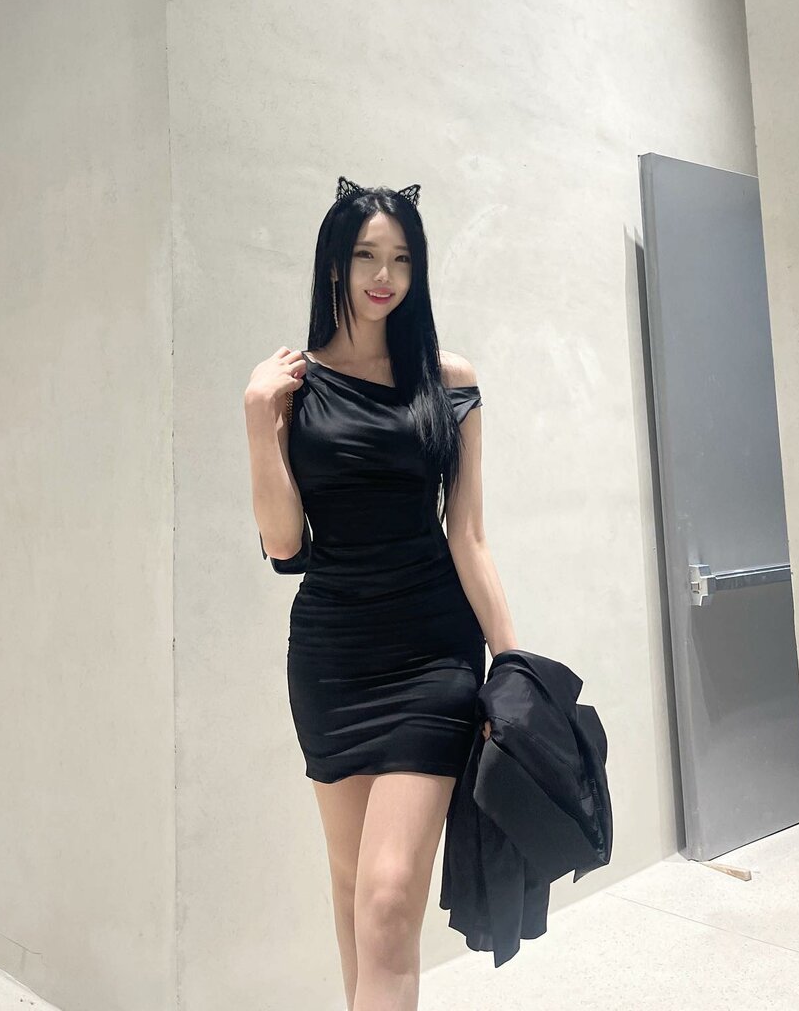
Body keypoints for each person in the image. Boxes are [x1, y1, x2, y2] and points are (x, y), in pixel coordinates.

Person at [244, 177, 518, 1010]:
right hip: (332, 659)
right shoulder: (294, 389)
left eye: (401, 259)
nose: (383, 276)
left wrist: (512, 667)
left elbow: (468, 536)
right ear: (335, 262)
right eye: (366, 255)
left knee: (390, 898)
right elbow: (284, 545)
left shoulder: (448, 380)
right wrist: (258, 419)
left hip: (433, 657)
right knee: (350, 888)